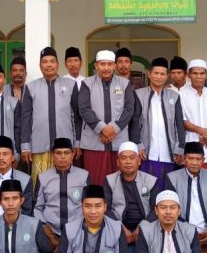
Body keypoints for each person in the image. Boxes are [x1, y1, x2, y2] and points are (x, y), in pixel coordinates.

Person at [21, 46, 80, 185]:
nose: (49, 65)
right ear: (40, 66)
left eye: (52, 61)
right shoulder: (31, 87)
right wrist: (25, 146)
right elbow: (26, 118)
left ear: (58, 64)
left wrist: (77, 143)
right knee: (39, 186)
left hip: (64, 147)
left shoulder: (71, 85)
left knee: (65, 184)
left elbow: (76, 116)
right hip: (39, 146)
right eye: (45, 62)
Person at [103, 142, 159, 253]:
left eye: (132, 158)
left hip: (145, 230)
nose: (128, 161)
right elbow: (106, 208)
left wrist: (142, 227)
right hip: (118, 230)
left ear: (139, 161)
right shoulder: (109, 180)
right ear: (118, 162)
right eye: (124, 158)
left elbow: (156, 209)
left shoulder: (150, 181)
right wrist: (121, 228)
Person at [77, 50, 135, 186]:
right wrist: (102, 128)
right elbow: (84, 109)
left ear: (114, 66)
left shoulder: (124, 83)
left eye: (109, 64)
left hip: (118, 139)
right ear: (96, 66)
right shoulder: (87, 83)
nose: (106, 68)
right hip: (94, 141)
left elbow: (129, 109)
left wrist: (112, 129)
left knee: (118, 182)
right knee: (95, 181)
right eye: (102, 64)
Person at [131, 57, 185, 188]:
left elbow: (179, 124)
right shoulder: (139, 94)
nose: (159, 77)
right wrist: (138, 144)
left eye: (162, 74)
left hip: (168, 151)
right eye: (156, 73)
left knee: (167, 188)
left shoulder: (174, 96)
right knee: (146, 188)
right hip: (147, 152)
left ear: (167, 76)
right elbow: (134, 122)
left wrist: (180, 148)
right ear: (149, 74)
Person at [34, 137, 89, 249]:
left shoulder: (84, 176)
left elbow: (88, 204)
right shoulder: (43, 177)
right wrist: (45, 227)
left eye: (66, 153)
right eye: (58, 153)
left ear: (72, 155)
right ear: (53, 155)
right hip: (50, 233)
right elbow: (37, 207)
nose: (62, 156)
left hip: (78, 232)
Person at [179, 59, 207, 173]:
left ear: (206, 75)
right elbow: (182, 120)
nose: (198, 76)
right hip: (191, 141)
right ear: (189, 75)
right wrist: (202, 131)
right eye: (195, 73)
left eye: (202, 73)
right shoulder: (181, 94)